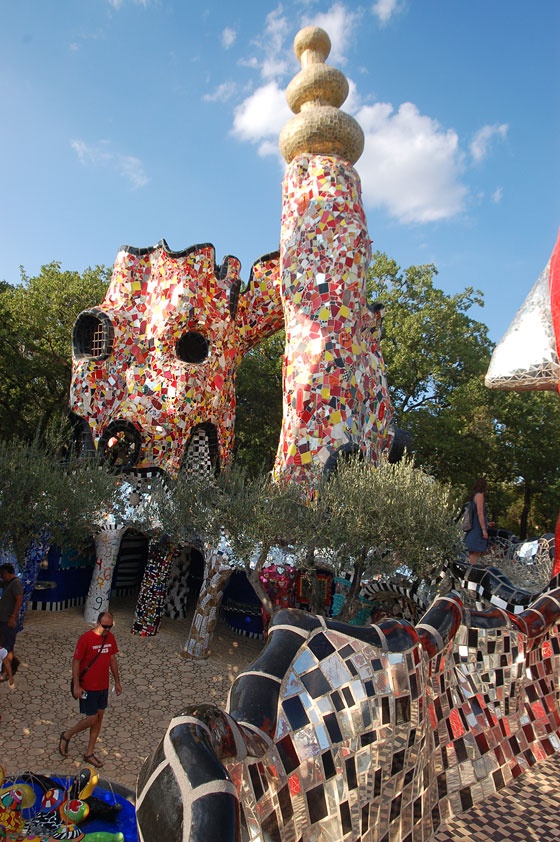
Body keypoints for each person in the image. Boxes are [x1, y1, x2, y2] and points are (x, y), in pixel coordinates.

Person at [59, 611, 122, 768]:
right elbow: (76, 661)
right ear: (98, 623)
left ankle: (89, 752)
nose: (107, 629)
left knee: (99, 718)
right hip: (88, 686)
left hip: (103, 686)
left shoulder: (110, 638)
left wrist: (117, 681)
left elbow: (112, 659)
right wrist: (76, 685)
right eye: (104, 626)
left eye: (110, 627)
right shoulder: (86, 639)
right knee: (92, 718)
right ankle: (67, 735)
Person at [0, 563, 23, 688]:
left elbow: (19, 599)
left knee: (7, 647)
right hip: (2, 620)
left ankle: (5, 673)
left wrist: (12, 617)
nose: (2, 577)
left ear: (7, 573)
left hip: (9, 621)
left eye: (3, 574)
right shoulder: (7, 583)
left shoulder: (16, 584)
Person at [464, 477, 494, 564]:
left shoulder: (473, 497)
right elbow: (480, 513)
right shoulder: (480, 496)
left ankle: (470, 571)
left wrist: (487, 523)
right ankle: (471, 573)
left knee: (472, 553)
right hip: (477, 529)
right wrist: (484, 530)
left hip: (473, 528)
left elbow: (476, 515)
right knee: (475, 553)